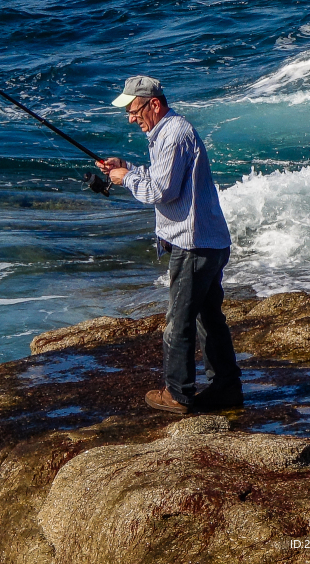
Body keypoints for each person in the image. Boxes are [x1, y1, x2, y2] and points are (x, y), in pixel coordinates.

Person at [97, 75, 242, 414]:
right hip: (208, 241)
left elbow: (162, 192)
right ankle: (227, 387)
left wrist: (126, 179)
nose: (131, 118)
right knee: (208, 318)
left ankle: (179, 394)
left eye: (134, 111)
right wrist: (127, 168)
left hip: (193, 244)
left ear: (154, 104)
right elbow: (163, 178)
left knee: (178, 322)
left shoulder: (173, 135)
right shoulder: (168, 132)